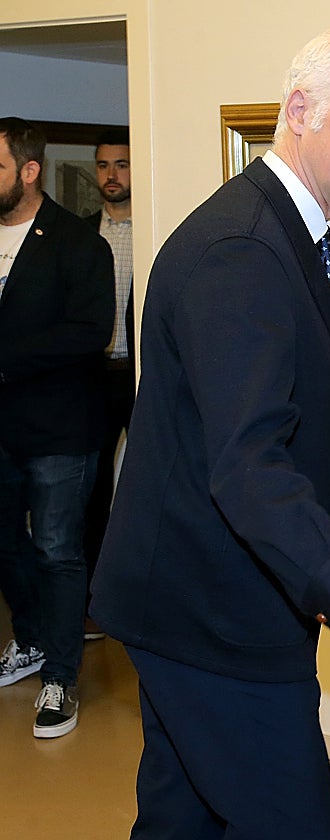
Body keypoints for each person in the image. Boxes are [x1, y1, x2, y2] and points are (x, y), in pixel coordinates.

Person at [89, 21, 330, 838]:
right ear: (300, 108)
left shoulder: (282, 227)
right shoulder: (243, 248)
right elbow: (248, 464)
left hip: (191, 600)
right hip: (213, 617)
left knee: (180, 820)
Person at [0, 116, 115, 738]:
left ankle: (60, 679)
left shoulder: (76, 243)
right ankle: (33, 640)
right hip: (2, 430)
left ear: (29, 170)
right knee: (5, 543)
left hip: (60, 427)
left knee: (57, 550)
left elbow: (89, 332)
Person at [82, 127, 135, 641]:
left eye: (120, 164)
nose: (111, 175)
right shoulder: (80, 235)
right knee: (93, 488)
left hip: (142, 377)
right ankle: (94, 602)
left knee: (141, 485)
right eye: (102, 165)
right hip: (95, 378)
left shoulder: (156, 228)